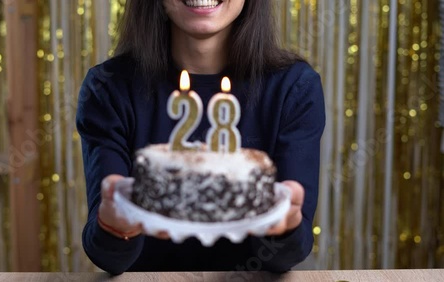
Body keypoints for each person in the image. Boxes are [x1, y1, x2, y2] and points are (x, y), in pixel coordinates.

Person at [76, 0, 325, 274]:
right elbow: (107, 256)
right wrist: (115, 227)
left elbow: (288, 254)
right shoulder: (108, 88)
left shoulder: (294, 88)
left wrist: (284, 228)